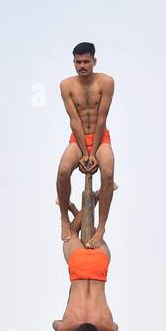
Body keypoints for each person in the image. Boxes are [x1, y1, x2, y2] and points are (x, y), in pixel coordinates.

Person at [56, 41, 115, 247]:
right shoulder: (66, 86)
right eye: (78, 62)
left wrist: (92, 152)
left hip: (100, 138)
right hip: (78, 138)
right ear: (73, 62)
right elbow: (73, 119)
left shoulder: (106, 82)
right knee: (63, 169)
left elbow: (101, 118)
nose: (82, 66)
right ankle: (64, 218)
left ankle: (100, 229)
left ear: (94, 61)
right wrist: (83, 152)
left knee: (107, 173)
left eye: (86, 62)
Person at [53, 236, 117, 331]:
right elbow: (55, 324)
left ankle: (100, 229)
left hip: (98, 266)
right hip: (78, 266)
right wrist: (71, 328)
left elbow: (115, 328)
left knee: (96, 235)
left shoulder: (108, 326)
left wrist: (97, 327)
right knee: (71, 234)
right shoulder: (67, 326)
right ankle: (64, 221)